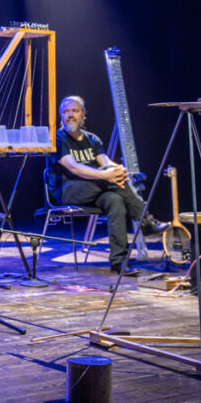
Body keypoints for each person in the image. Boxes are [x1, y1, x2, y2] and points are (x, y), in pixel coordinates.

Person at [46, 95, 168, 275]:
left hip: (94, 188)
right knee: (113, 183)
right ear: (61, 116)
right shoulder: (57, 138)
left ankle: (119, 262)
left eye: (74, 110)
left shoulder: (92, 139)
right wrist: (106, 175)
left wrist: (118, 170)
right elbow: (73, 167)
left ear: (83, 115)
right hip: (67, 189)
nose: (70, 115)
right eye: (65, 111)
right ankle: (146, 221)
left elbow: (105, 161)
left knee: (115, 200)